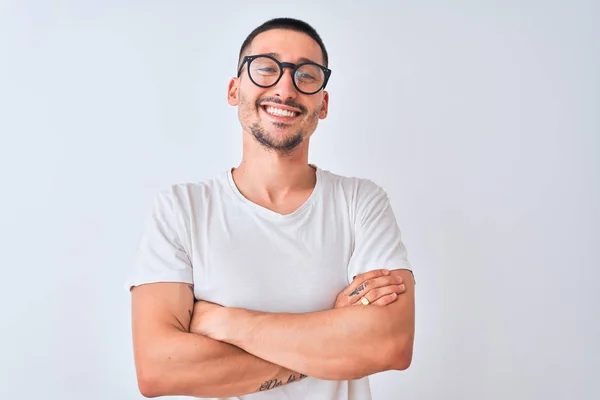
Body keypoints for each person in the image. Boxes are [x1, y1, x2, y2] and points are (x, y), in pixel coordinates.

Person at [126, 17, 416, 400]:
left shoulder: (360, 202)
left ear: (323, 103)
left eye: (307, 76)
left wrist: (226, 322)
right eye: (266, 68)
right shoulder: (182, 209)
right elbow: (158, 370)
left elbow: (390, 345)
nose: (285, 88)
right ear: (234, 90)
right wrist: (335, 339)